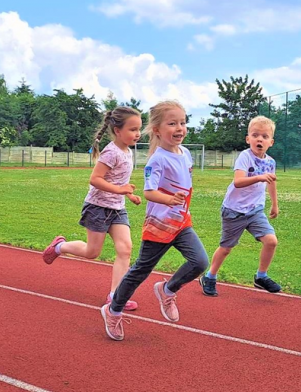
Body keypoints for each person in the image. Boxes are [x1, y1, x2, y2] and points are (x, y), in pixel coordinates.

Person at [101, 101, 209, 341]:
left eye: (182, 122)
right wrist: (170, 199)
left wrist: (179, 203)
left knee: (200, 262)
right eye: (172, 123)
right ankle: (113, 309)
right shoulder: (156, 160)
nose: (180, 128)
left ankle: (167, 289)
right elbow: (149, 192)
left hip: (181, 223)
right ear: (157, 130)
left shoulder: (186, 153)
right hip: (159, 226)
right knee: (140, 270)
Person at [43, 106, 143, 311]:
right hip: (97, 208)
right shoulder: (111, 152)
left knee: (125, 249)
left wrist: (128, 194)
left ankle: (116, 296)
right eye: (133, 129)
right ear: (117, 131)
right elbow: (95, 179)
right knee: (92, 252)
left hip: (117, 208)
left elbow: (119, 180)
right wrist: (119, 189)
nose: (138, 134)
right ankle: (59, 246)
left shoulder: (128, 152)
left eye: (138, 129)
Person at [200, 116, 281, 296]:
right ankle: (210, 276)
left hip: (255, 210)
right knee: (227, 247)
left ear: (271, 142)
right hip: (234, 210)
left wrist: (275, 204)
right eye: (255, 135)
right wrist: (259, 177)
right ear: (248, 139)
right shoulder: (244, 157)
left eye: (264, 136)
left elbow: (272, 182)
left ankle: (261, 277)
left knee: (271, 241)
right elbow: (238, 182)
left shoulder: (270, 162)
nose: (259, 139)